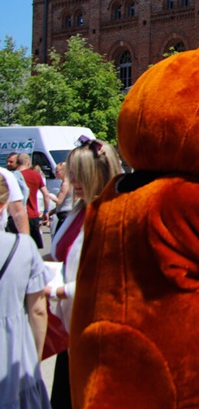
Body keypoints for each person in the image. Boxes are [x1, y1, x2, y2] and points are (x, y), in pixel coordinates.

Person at [45, 136, 123, 408]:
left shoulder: (114, 216)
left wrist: (57, 290)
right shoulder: (79, 210)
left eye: (80, 173)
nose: (72, 179)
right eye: (71, 172)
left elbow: (112, 281)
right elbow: (59, 255)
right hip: (70, 329)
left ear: (99, 174)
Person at [0, 174, 50, 409]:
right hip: (12, 354)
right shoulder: (23, 247)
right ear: (4, 204)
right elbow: (38, 311)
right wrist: (35, 358)